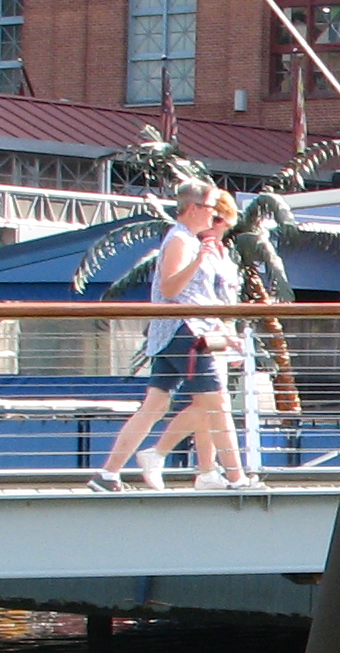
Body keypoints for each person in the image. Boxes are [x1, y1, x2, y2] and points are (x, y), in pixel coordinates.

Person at [89, 187, 256, 491]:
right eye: (209, 208)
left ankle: (109, 473)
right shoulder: (180, 239)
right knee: (217, 404)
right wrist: (197, 262)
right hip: (187, 331)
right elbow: (169, 289)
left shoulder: (191, 240)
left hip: (183, 331)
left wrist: (221, 328)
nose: (213, 214)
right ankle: (237, 478)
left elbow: (200, 294)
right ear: (193, 208)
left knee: (157, 404)